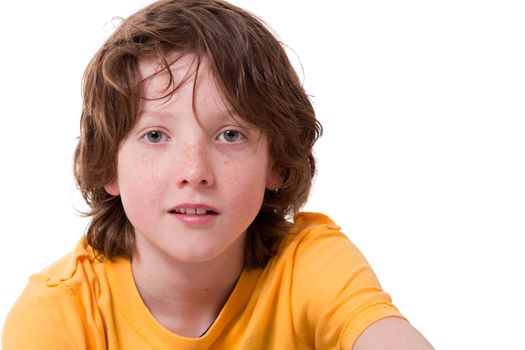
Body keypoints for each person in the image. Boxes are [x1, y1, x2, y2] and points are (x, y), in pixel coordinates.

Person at [2, 0, 434, 348]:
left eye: (230, 135)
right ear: (108, 166)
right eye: (155, 136)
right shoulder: (58, 312)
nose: (194, 172)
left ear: (277, 163)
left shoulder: (308, 263)